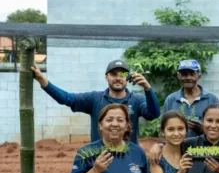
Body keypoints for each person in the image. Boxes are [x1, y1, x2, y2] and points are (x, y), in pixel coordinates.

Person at [31, 59, 159, 144]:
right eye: (113, 74)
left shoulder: (136, 100)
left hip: (129, 158)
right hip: (99, 158)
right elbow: (66, 98)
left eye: (122, 74)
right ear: (106, 77)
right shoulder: (95, 99)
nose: (118, 78)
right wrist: (42, 80)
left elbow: (153, 114)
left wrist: (147, 88)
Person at [162, 59, 219, 137]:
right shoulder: (171, 100)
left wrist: (203, 129)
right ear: (179, 77)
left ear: (199, 76)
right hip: (178, 148)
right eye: (184, 74)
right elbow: (163, 128)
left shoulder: (211, 99)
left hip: (204, 148)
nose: (188, 77)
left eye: (192, 74)